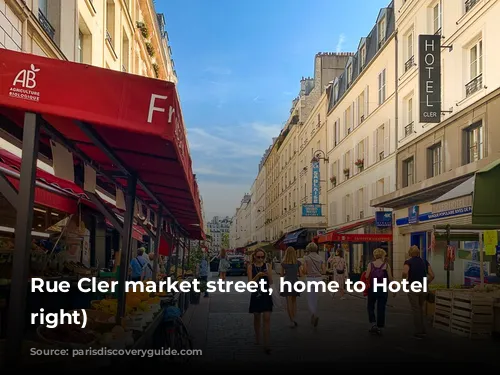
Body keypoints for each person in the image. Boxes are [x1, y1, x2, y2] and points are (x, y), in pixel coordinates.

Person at [403, 245, 435, 339]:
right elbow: (432, 275)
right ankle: (423, 329)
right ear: (418, 253)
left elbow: (405, 272)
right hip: (424, 287)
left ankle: (419, 331)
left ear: (410, 253)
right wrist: (426, 282)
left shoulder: (408, 262)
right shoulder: (424, 261)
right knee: (421, 308)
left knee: (416, 309)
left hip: (413, 287)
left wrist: (405, 281)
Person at [247, 248, 273, 354]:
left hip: (266, 294)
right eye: (258, 257)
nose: (261, 259)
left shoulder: (267, 266)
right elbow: (250, 283)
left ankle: (266, 344)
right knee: (257, 317)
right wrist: (257, 276)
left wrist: (269, 274)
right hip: (256, 294)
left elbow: (271, 281)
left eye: (262, 257)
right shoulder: (250, 267)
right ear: (254, 256)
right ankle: (258, 338)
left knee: (266, 318)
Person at [365, 248, 393, 335]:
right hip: (383, 288)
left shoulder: (370, 264)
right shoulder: (386, 265)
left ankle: (373, 324)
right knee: (381, 307)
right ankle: (380, 326)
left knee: (370, 306)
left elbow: (366, 276)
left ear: (375, 255)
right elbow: (390, 278)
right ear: (383, 255)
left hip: (373, 288)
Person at [303, 242, 326, 327]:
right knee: (315, 298)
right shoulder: (320, 258)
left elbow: (305, 270)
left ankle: (313, 314)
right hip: (318, 279)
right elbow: (324, 270)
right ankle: (313, 315)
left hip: (310, 278)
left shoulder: (306, 258)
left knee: (310, 298)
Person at [280, 246, 303, 327]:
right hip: (295, 282)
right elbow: (301, 274)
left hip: (287, 282)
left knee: (288, 302)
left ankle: (291, 320)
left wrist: (287, 272)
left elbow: (282, 275)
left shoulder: (283, 263)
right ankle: (294, 317)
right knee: (294, 301)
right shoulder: (298, 263)